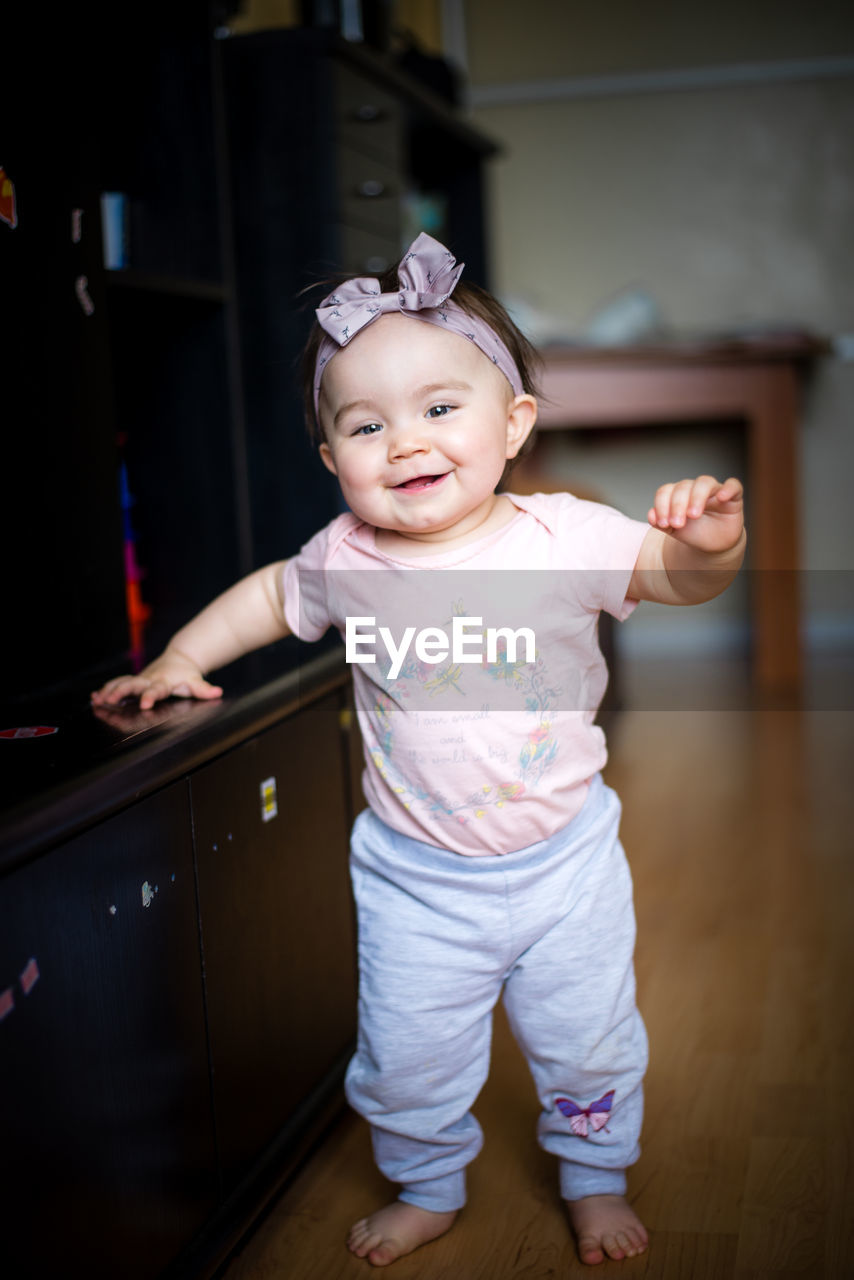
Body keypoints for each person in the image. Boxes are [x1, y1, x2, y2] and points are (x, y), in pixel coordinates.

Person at [92, 234, 746, 1267]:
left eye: (438, 409)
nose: (403, 443)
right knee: (408, 1054)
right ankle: (426, 1181)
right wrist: (179, 651)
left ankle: (591, 1171)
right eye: (366, 424)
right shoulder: (346, 556)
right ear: (330, 458)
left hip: (563, 864)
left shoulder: (559, 535)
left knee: (585, 1038)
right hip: (414, 874)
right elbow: (271, 595)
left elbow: (672, 575)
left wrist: (708, 547)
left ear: (512, 423)